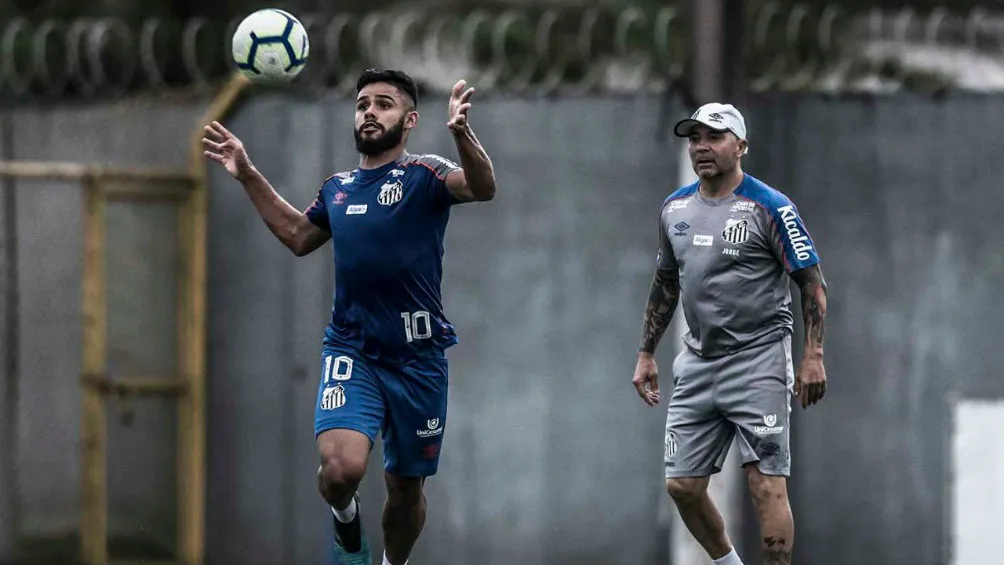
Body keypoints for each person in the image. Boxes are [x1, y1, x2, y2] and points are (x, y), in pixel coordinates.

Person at [202, 69, 497, 565]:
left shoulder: (424, 173)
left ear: (409, 120)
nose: (369, 112)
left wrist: (463, 136)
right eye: (362, 103)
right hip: (353, 349)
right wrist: (248, 172)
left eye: (384, 104)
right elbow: (299, 236)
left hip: (418, 360)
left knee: (404, 491)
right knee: (340, 469)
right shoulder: (338, 188)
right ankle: (346, 527)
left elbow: (482, 187)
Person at [630, 102, 828, 565]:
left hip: (758, 360)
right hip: (698, 361)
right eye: (695, 137)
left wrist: (813, 354)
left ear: (740, 146)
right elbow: (665, 283)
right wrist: (645, 353)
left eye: (714, 137)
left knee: (765, 485)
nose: (702, 146)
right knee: (682, 485)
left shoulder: (770, 207)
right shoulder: (674, 208)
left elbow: (812, 282)